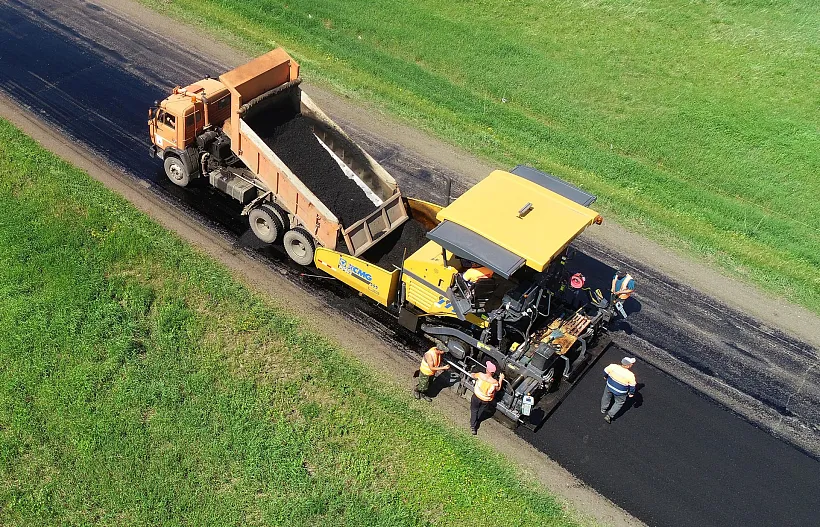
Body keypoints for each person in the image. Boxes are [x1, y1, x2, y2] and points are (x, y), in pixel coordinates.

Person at [469, 361, 504, 434]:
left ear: (487, 370)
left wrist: (472, 372)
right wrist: (501, 379)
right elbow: (498, 389)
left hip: (476, 397)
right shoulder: (494, 382)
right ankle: (476, 421)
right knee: (480, 411)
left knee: (474, 410)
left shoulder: (480, 375)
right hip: (485, 400)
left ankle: (473, 426)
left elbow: (473, 375)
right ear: (493, 373)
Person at [601, 357, 637, 423]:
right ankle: (609, 415)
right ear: (628, 365)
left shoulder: (613, 366)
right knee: (619, 402)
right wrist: (631, 393)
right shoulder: (630, 375)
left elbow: (605, 371)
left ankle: (603, 409)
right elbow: (632, 386)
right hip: (620, 392)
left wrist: (605, 376)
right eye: (631, 364)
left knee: (606, 397)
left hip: (609, 386)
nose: (632, 365)